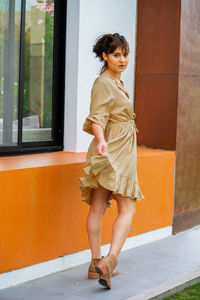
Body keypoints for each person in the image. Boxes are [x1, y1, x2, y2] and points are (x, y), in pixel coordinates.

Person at [79, 33, 144, 289]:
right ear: (104, 56)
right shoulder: (104, 82)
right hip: (114, 150)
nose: (123, 59)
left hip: (114, 148)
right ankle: (109, 261)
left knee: (98, 207)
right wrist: (102, 140)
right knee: (126, 208)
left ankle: (96, 264)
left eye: (125, 54)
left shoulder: (115, 82)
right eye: (116, 54)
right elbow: (97, 117)